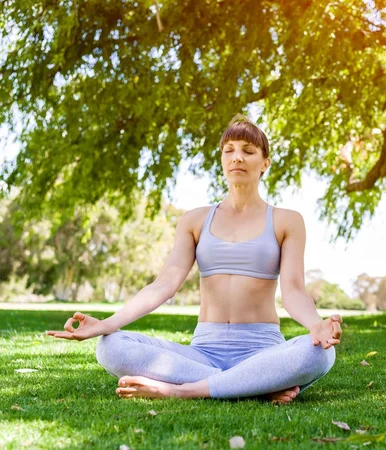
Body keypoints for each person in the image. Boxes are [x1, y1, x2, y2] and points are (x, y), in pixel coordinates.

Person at [46, 114, 342, 404]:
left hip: (262, 348)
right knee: (111, 347)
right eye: (229, 151)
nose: (237, 157)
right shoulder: (194, 220)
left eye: (248, 151)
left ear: (265, 163)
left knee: (319, 353)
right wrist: (105, 325)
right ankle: (253, 382)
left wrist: (316, 325)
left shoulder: (286, 221)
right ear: (222, 160)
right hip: (203, 352)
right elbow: (164, 285)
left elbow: (293, 292)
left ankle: (183, 390)